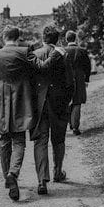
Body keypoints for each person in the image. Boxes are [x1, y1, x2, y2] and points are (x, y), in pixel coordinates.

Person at [0, 26, 62, 201]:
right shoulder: (24, 52)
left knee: (4, 140)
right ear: (18, 38)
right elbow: (41, 67)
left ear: (3, 38)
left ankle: (7, 178)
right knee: (18, 141)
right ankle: (13, 172)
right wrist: (55, 54)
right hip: (19, 99)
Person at [29, 26, 72, 194]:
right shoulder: (63, 54)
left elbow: (30, 83)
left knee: (40, 141)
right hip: (59, 102)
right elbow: (70, 82)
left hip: (39, 105)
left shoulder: (35, 55)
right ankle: (57, 172)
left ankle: (41, 181)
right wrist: (67, 100)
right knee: (59, 139)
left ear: (43, 38)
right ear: (57, 39)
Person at [64, 30, 91, 136]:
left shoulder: (63, 51)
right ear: (75, 38)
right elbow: (87, 67)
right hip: (79, 77)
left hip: (66, 78)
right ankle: (75, 126)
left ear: (66, 39)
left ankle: (70, 123)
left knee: (67, 101)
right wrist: (86, 79)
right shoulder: (82, 51)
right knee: (77, 101)